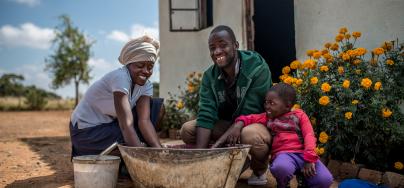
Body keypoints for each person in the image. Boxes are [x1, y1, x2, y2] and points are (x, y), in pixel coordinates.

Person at [180, 25, 272, 185]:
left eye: (223, 45)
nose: (217, 52)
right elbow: (206, 114)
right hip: (229, 124)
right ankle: (237, 162)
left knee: (250, 135)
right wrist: (200, 158)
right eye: (212, 48)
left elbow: (251, 111)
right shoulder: (210, 76)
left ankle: (259, 170)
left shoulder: (257, 68)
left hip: (255, 123)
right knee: (188, 130)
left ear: (235, 46)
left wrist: (218, 143)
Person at [217, 83, 333, 188]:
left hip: (305, 154)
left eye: (272, 103)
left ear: (287, 106)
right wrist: (238, 126)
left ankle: (304, 181)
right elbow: (249, 118)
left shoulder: (299, 115)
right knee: (281, 168)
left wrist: (309, 159)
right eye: (266, 102)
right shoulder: (268, 117)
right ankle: (283, 184)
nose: (267, 106)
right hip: (284, 155)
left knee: (325, 180)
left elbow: (309, 135)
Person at [69, 35, 163, 157]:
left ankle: (132, 156)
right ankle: (129, 158)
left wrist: (160, 151)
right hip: (86, 134)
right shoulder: (120, 77)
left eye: (150, 67)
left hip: (108, 129)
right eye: (140, 66)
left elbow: (144, 121)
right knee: (131, 130)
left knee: (156, 108)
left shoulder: (146, 85)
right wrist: (140, 158)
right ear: (129, 64)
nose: (146, 71)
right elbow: (126, 125)